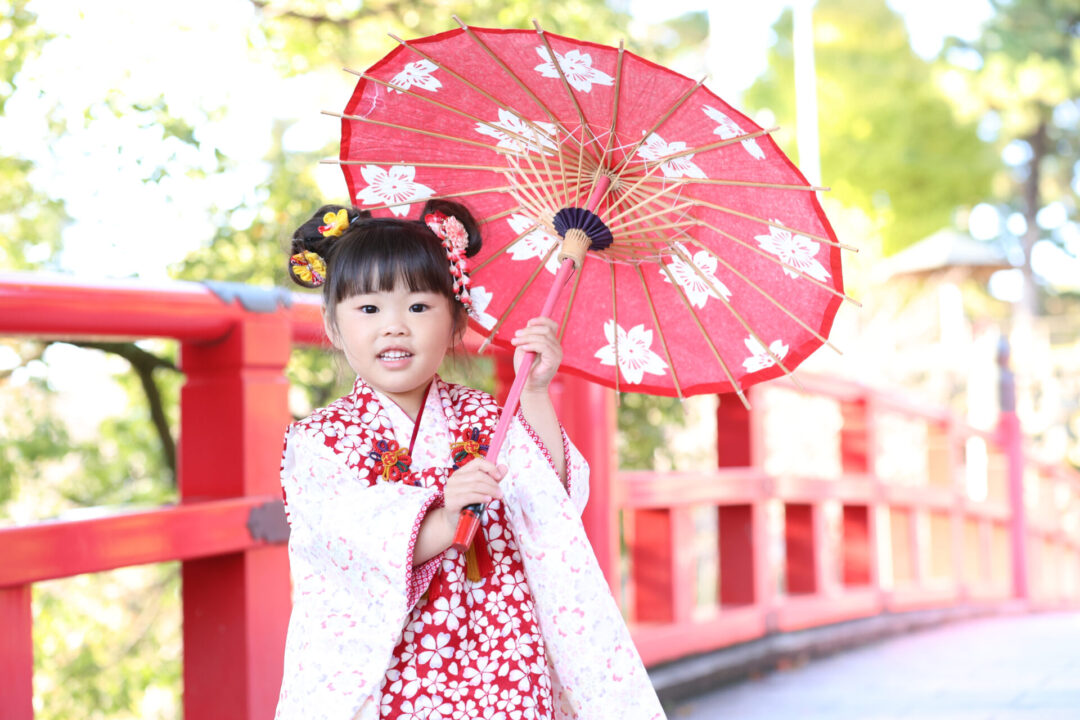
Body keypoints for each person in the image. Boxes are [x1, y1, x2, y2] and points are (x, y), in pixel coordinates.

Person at [275, 199, 665, 720]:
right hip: (391, 665)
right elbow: (345, 543)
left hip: (499, 647)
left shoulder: (486, 417)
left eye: (419, 307)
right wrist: (442, 516)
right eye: (369, 309)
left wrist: (535, 395)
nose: (394, 327)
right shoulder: (321, 440)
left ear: (457, 321)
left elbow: (551, 496)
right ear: (333, 325)